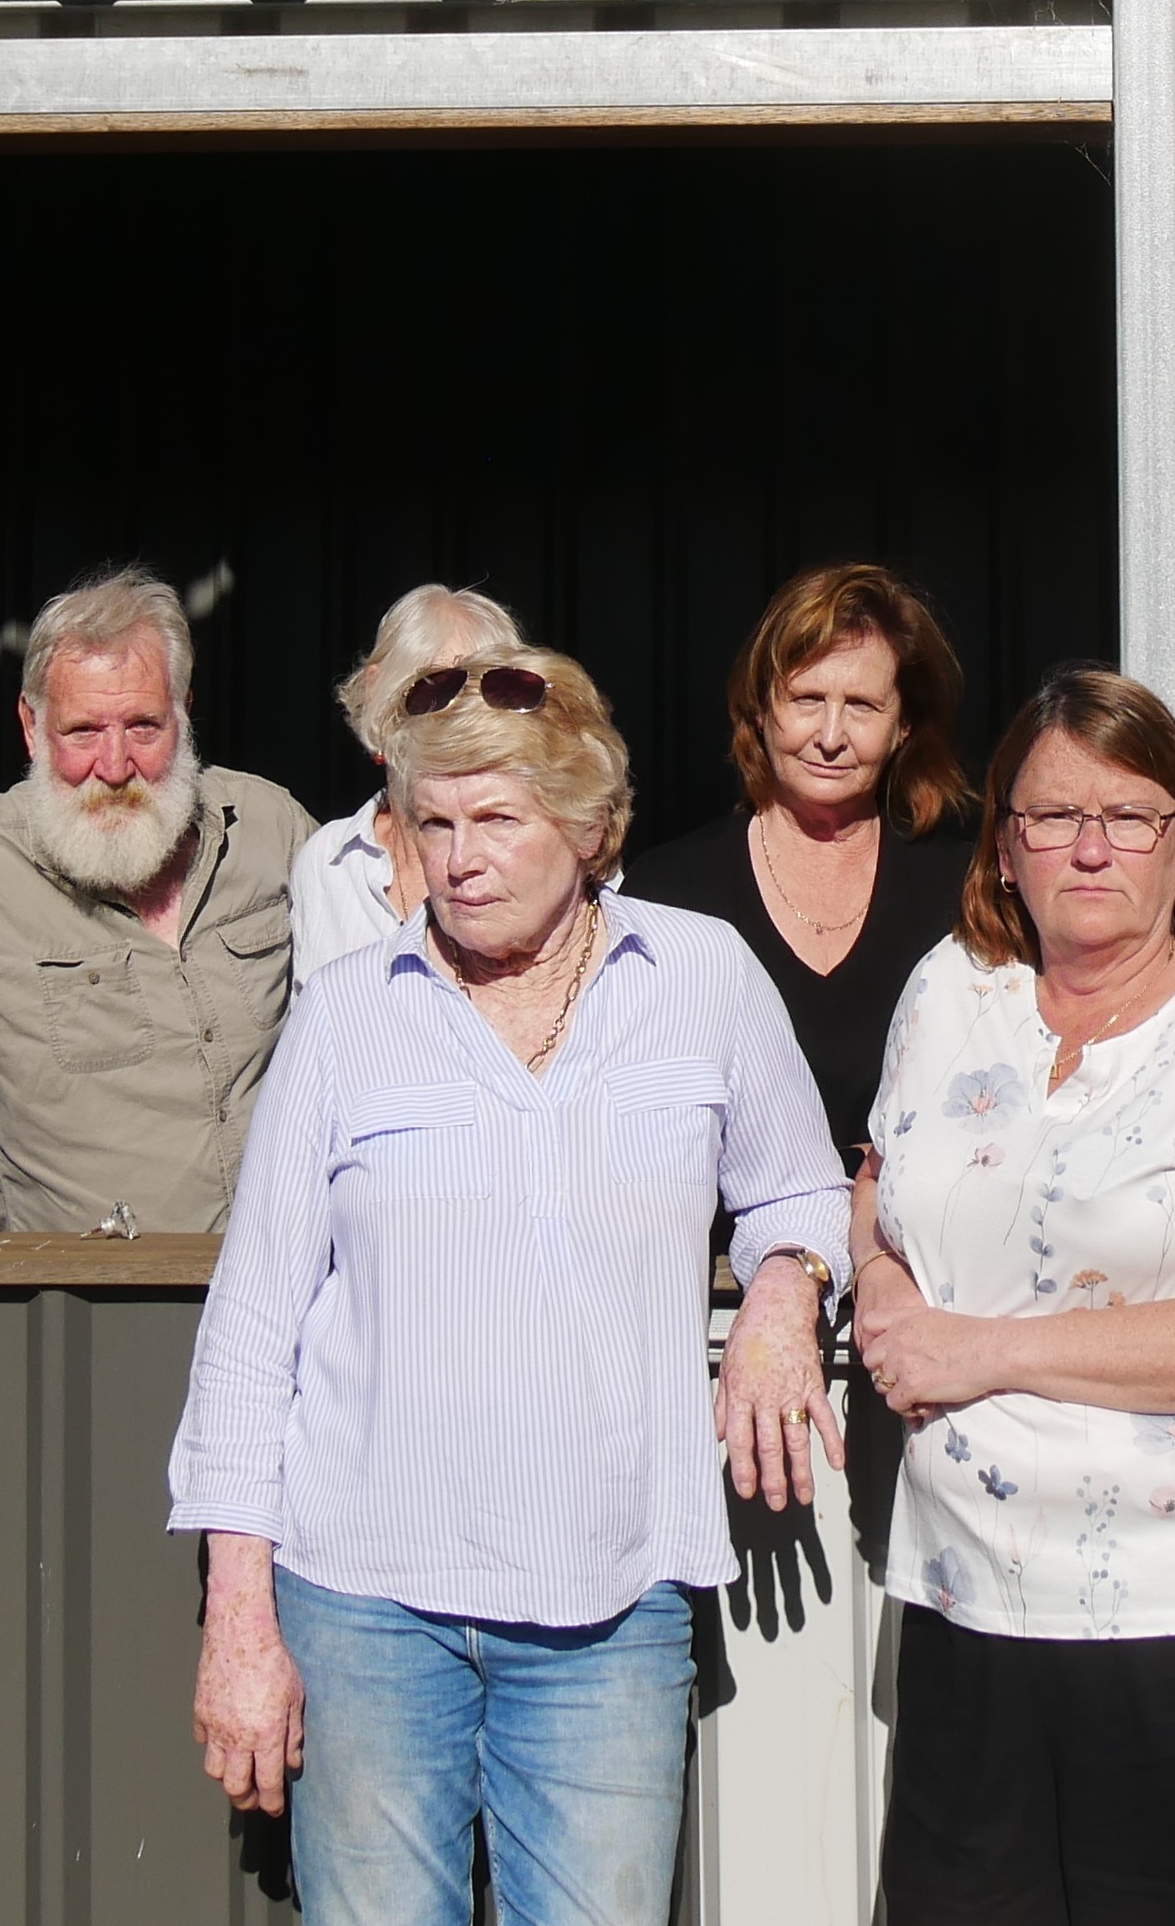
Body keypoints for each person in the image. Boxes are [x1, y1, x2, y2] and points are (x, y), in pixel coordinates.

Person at [169, 646, 848, 1926]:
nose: (457, 856)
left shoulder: (700, 979)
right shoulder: (345, 1012)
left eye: (496, 818)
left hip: (610, 1602)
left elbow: (799, 1191)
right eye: (431, 822)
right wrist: (240, 1621)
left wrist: (780, 1298)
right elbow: (253, 1328)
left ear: (590, 827)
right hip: (366, 1604)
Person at [851, 665, 1175, 1926]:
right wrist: (873, 1281)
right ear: (1006, 845)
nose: (1089, 846)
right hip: (972, 1602)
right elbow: (879, 1176)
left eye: (1129, 815)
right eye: (1048, 815)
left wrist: (972, 1349)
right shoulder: (948, 992)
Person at [0, 565, 312, 1233]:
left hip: (288, 1298)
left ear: (185, 712)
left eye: (143, 726)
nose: (113, 768)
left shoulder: (270, 826)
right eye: (82, 732)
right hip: (86, 1317)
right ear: (31, 726)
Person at [624, 561, 975, 1158]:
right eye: (807, 699)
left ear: (904, 726)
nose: (831, 735)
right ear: (760, 708)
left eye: (863, 706)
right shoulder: (669, 892)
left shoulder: (962, 888)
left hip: (913, 1248)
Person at [290, 583, 524, 981]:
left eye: (490, 692)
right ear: (377, 690)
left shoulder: (545, 847)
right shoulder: (329, 862)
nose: (462, 723)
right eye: (439, 690)